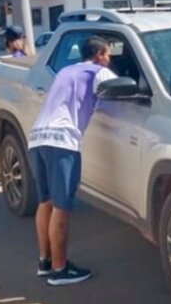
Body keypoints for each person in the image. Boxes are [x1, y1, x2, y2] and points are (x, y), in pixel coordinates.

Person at [27, 36, 115, 286]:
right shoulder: (99, 73)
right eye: (108, 55)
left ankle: (45, 262)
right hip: (63, 142)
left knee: (46, 202)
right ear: (99, 54)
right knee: (61, 208)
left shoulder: (66, 70)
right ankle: (60, 269)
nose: (109, 60)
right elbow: (119, 94)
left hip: (37, 138)